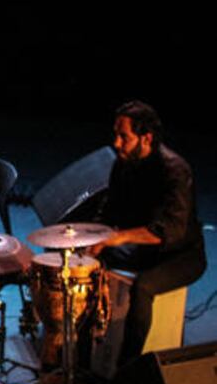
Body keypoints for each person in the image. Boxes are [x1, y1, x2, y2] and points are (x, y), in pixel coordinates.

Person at [87, 100, 206, 365]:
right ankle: (82, 351)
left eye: (124, 137)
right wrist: (91, 239)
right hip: (143, 250)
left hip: (182, 256)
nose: (116, 143)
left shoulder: (175, 170)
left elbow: (169, 231)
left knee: (143, 287)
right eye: (116, 135)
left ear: (146, 138)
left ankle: (128, 369)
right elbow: (108, 211)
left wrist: (118, 238)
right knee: (85, 264)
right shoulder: (123, 164)